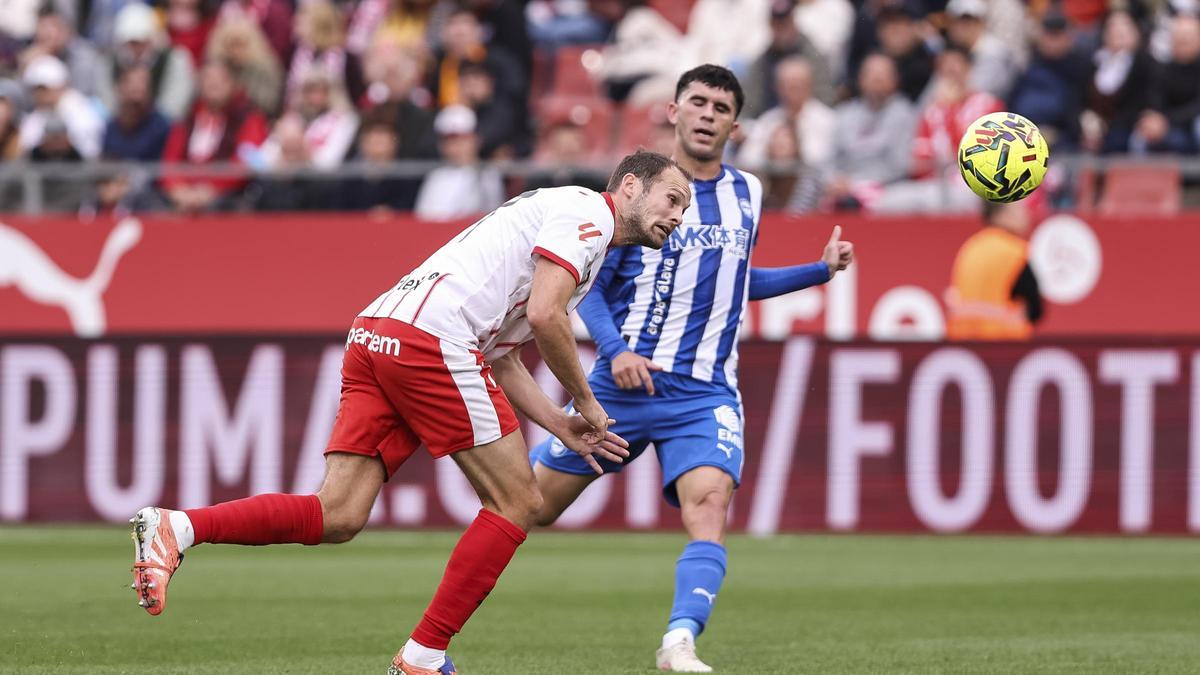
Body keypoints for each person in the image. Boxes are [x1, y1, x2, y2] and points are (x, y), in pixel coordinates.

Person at [129, 150, 693, 675]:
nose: (677, 215)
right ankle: (423, 656)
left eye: (685, 207)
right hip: (433, 337)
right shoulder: (587, 214)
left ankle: (177, 527)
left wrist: (559, 421)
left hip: (379, 331)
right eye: (671, 199)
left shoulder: (568, 225)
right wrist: (589, 403)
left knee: (339, 514)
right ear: (628, 186)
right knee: (519, 499)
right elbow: (547, 317)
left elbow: (502, 356)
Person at [530, 64, 854, 673]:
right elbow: (592, 286)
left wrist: (818, 271)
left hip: (705, 391)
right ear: (674, 112)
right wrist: (615, 349)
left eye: (721, 107)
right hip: (622, 385)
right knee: (530, 505)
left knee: (708, 504)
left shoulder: (748, 193)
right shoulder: (639, 188)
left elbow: (735, 283)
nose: (708, 114)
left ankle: (679, 641)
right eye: (697, 102)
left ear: (735, 123)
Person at [945, 199, 1043, 340]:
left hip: (963, 342)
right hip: (1003, 343)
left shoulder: (970, 247)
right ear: (1000, 215)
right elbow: (1035, 308)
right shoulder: (1015, 251)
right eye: (1018, 209)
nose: (1025, 215)